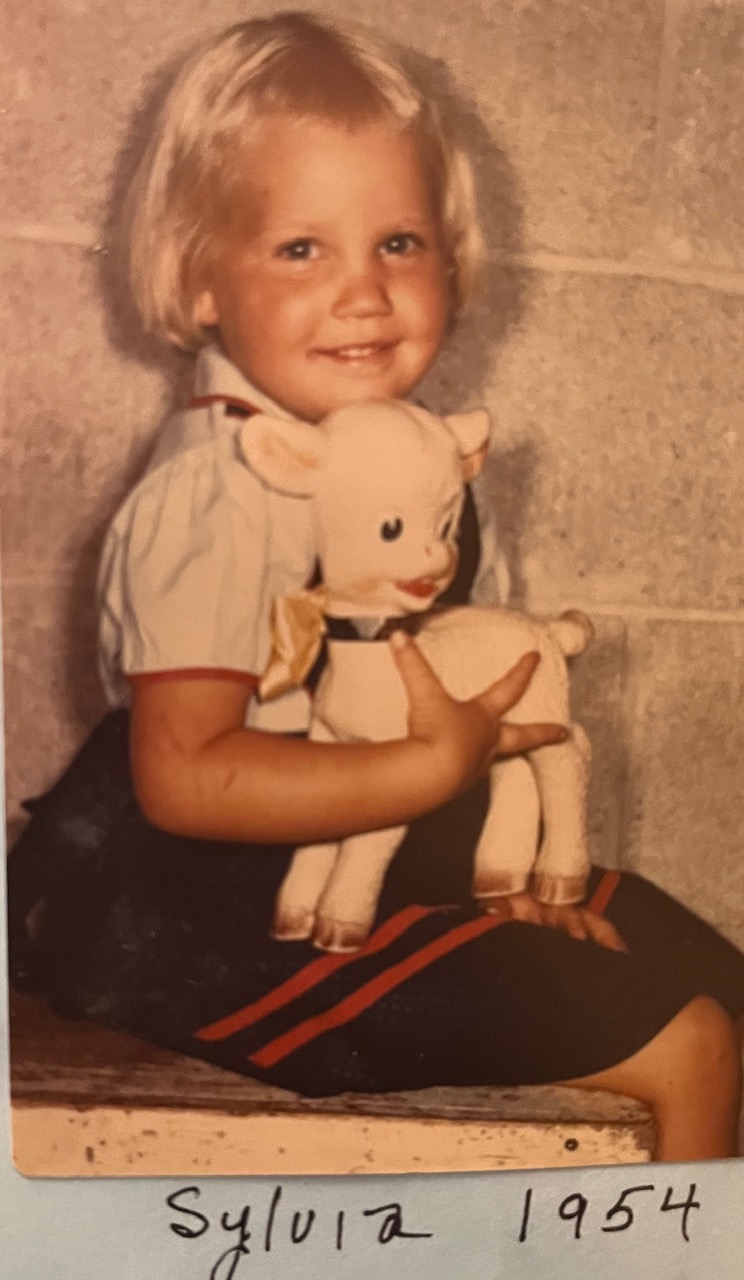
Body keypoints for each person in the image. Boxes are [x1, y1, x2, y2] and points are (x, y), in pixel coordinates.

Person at [7, 11, 744, 1164]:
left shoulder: (407, 451)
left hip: (383, 830)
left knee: (710, 968)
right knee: (689, 1039)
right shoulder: (221, 488)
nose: (364, 292)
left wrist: (498, 869)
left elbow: (437, 699)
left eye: (397, 241)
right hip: (202, 892)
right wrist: (431, 771)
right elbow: (186, 776)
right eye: (302, 248)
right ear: (201, 279)